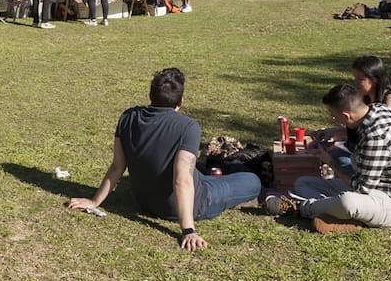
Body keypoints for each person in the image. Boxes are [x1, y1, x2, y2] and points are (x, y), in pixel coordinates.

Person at [67, 68, 261, 252]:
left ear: (151, 96)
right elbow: (181, 179)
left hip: (145, 203)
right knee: (252, 180)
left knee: (204, 174)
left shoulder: (128, 117)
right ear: (181, 102)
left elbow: (118, 166)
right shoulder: (188, 126)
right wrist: (188, 230)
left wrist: (94, 201)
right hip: (191, 205)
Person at [267, 84, 391, 234]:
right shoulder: (379, 109)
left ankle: (299, 208)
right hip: (375, 189)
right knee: (303, 183)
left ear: (346, 116)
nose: (334, 119)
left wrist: (330, 161)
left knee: (348, 202)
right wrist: (333, 134)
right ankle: (339, 217)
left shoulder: (376, 137)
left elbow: (361, 189)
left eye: (334, 116)